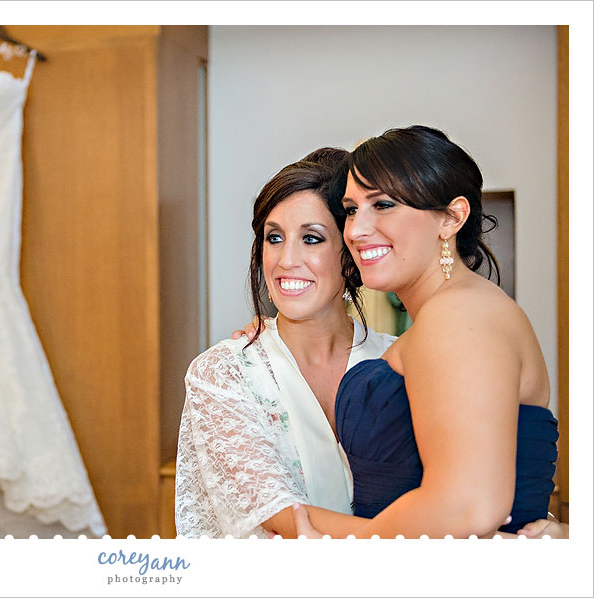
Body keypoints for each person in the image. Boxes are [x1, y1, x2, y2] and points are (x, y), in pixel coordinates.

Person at [258, 125, 561, 539]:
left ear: (452, 218)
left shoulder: (460, 315)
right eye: (350, 209)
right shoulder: (455, 313)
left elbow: (467, 506)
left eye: (382, 205)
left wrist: (321, 537)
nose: (357, 230)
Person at [174, 148, 397, 538]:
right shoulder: (224, 373)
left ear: (350, 256)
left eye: (311, 238)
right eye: (274, 237)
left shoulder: (401, 361)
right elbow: (283, 516)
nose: (286, 259)